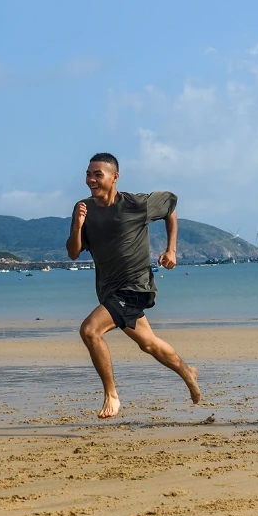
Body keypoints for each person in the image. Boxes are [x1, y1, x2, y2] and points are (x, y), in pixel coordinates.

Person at [66, 153, 201, 419]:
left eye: (98, 174)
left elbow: (171, 207)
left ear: (114, 177)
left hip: (135, 287)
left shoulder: (136, 204)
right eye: (88, 174)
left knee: (90, 331)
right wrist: (78, 226)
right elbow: (73, 252)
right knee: (149, 344)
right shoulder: (82, 208)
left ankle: (111, 395)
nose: (91, 180)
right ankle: (187, 372)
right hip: (108, 289)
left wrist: (171, 250)